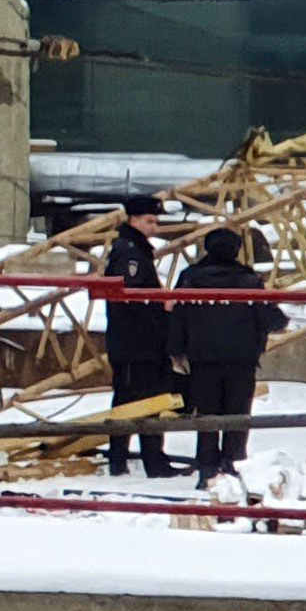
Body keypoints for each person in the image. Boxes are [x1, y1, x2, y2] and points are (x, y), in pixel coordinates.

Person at [171, 226, 286, 484]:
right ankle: (233, 466)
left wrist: (176, 352)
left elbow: (177, 318)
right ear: (236, 250)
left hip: (202, 360)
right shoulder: (248, 281)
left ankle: (207, 470)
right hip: (241, 361)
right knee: (237, 416)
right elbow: (271, 319)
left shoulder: (190, 278)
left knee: (208, 416)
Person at [100, 205, 178, 478]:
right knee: (138, 400)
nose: (154, 227)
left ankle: (128, 459)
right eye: (149, 220)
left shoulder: (133, 249)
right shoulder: (131, 253)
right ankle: (147, 461)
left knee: (136, 399)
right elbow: (128, 295)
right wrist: (161, 306)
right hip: (136, 342)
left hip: (135, 341)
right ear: (133, 219)